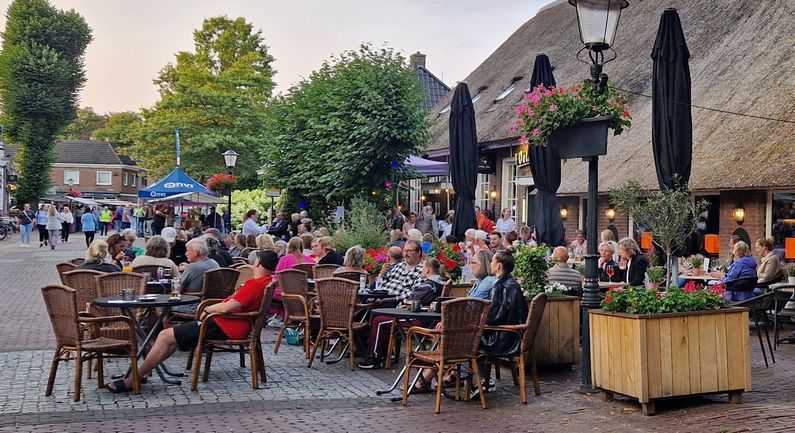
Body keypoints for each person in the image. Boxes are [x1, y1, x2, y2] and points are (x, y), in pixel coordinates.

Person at [105, 249, 279, 393]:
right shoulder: (266, 281)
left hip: (225, 325)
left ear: (256, 263)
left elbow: (227, 308)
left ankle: (132, 379)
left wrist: (207, 310)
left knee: (165, 336)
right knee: (169, 338)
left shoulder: (255, 284)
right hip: (227, 323)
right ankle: (141, 373)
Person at [359, 256, 444, 370]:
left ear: (427, 270)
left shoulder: (429, 285)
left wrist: (406, 301)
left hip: (418, 318)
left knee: (379, 321)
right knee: (381, 318)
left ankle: (375, 358)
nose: (421, 271)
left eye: (423, 268)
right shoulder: (439, 282)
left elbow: (415, 298)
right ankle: (382, 354)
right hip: (425, 317)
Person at [475, 249, 528, 397]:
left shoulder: (498, 286)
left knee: (468, 341)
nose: (490, 263)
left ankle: (478, 382)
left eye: (492, 261)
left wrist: (477, 321)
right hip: (515, 335)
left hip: (502, 339)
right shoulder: (513, 284)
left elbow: (494, 318)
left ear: (498, 266)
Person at [377, 240, 424, 305]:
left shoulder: (422, 270)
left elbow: (415, 293)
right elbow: (380, 285)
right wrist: (382, 274)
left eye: (409, 251)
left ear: (418, 252)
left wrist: (393, 299)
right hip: (380, 297)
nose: (406, 254)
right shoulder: (398, 266)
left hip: (395, 302)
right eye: (404, 251)